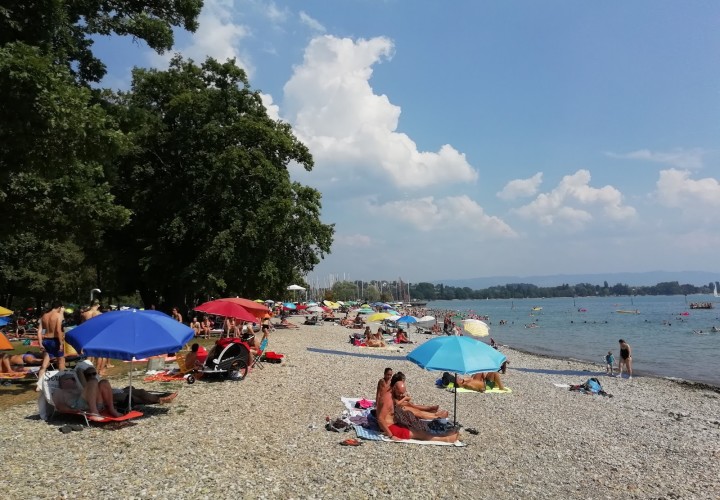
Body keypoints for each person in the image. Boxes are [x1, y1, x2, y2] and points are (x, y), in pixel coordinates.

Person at [376, 373, 458, 443]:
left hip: (394, 422)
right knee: (418, 433)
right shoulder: (388, 399)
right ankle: (445, 439)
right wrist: (391, 436)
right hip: (389, 427)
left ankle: (443, 433)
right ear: (394, 388)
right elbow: (380, 418)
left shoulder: (391, 393)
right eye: (400, 393)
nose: (401, 396)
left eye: (402, 393)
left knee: (418, 426)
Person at [75, 360, 178, 407]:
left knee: (137, 391)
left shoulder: (94, 381)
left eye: (94, 373)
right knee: (136, 397)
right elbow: (80, 375)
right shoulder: (88, 386)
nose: (93, 375)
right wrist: (79, 370)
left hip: (116, 391)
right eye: (90, 374)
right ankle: (160, 399)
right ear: (85, 376)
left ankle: (160, 397)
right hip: (112, 397)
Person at [37, 301, 66, 389]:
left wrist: (40, 343)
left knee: (45, 363)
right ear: (60, 307)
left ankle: (39, 385)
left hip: (46, 340)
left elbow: (39, 332)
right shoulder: (58, 315)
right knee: (61, 362)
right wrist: (61, 343)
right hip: (55, 340)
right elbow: (58, 330)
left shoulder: (44, 315)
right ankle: (63, 383)